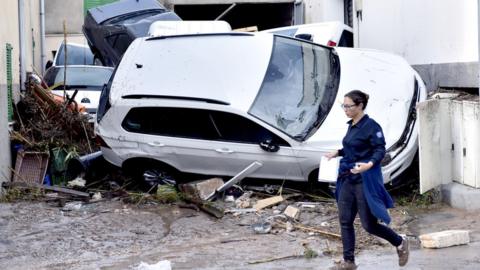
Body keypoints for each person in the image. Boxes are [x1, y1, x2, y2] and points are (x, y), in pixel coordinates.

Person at [325, 90, 409, 270]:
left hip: (364, 180)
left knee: (369, 225)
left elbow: (380, 150)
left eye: (348, 106)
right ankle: (349, 262)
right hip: (348, 178)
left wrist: (369, 164)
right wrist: (338, 152)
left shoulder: (372, 126)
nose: (345, 109)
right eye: (344, 106)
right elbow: (353, 147)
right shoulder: (352, 125)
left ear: (360, 105)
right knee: (345, 220)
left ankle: (400, 242)